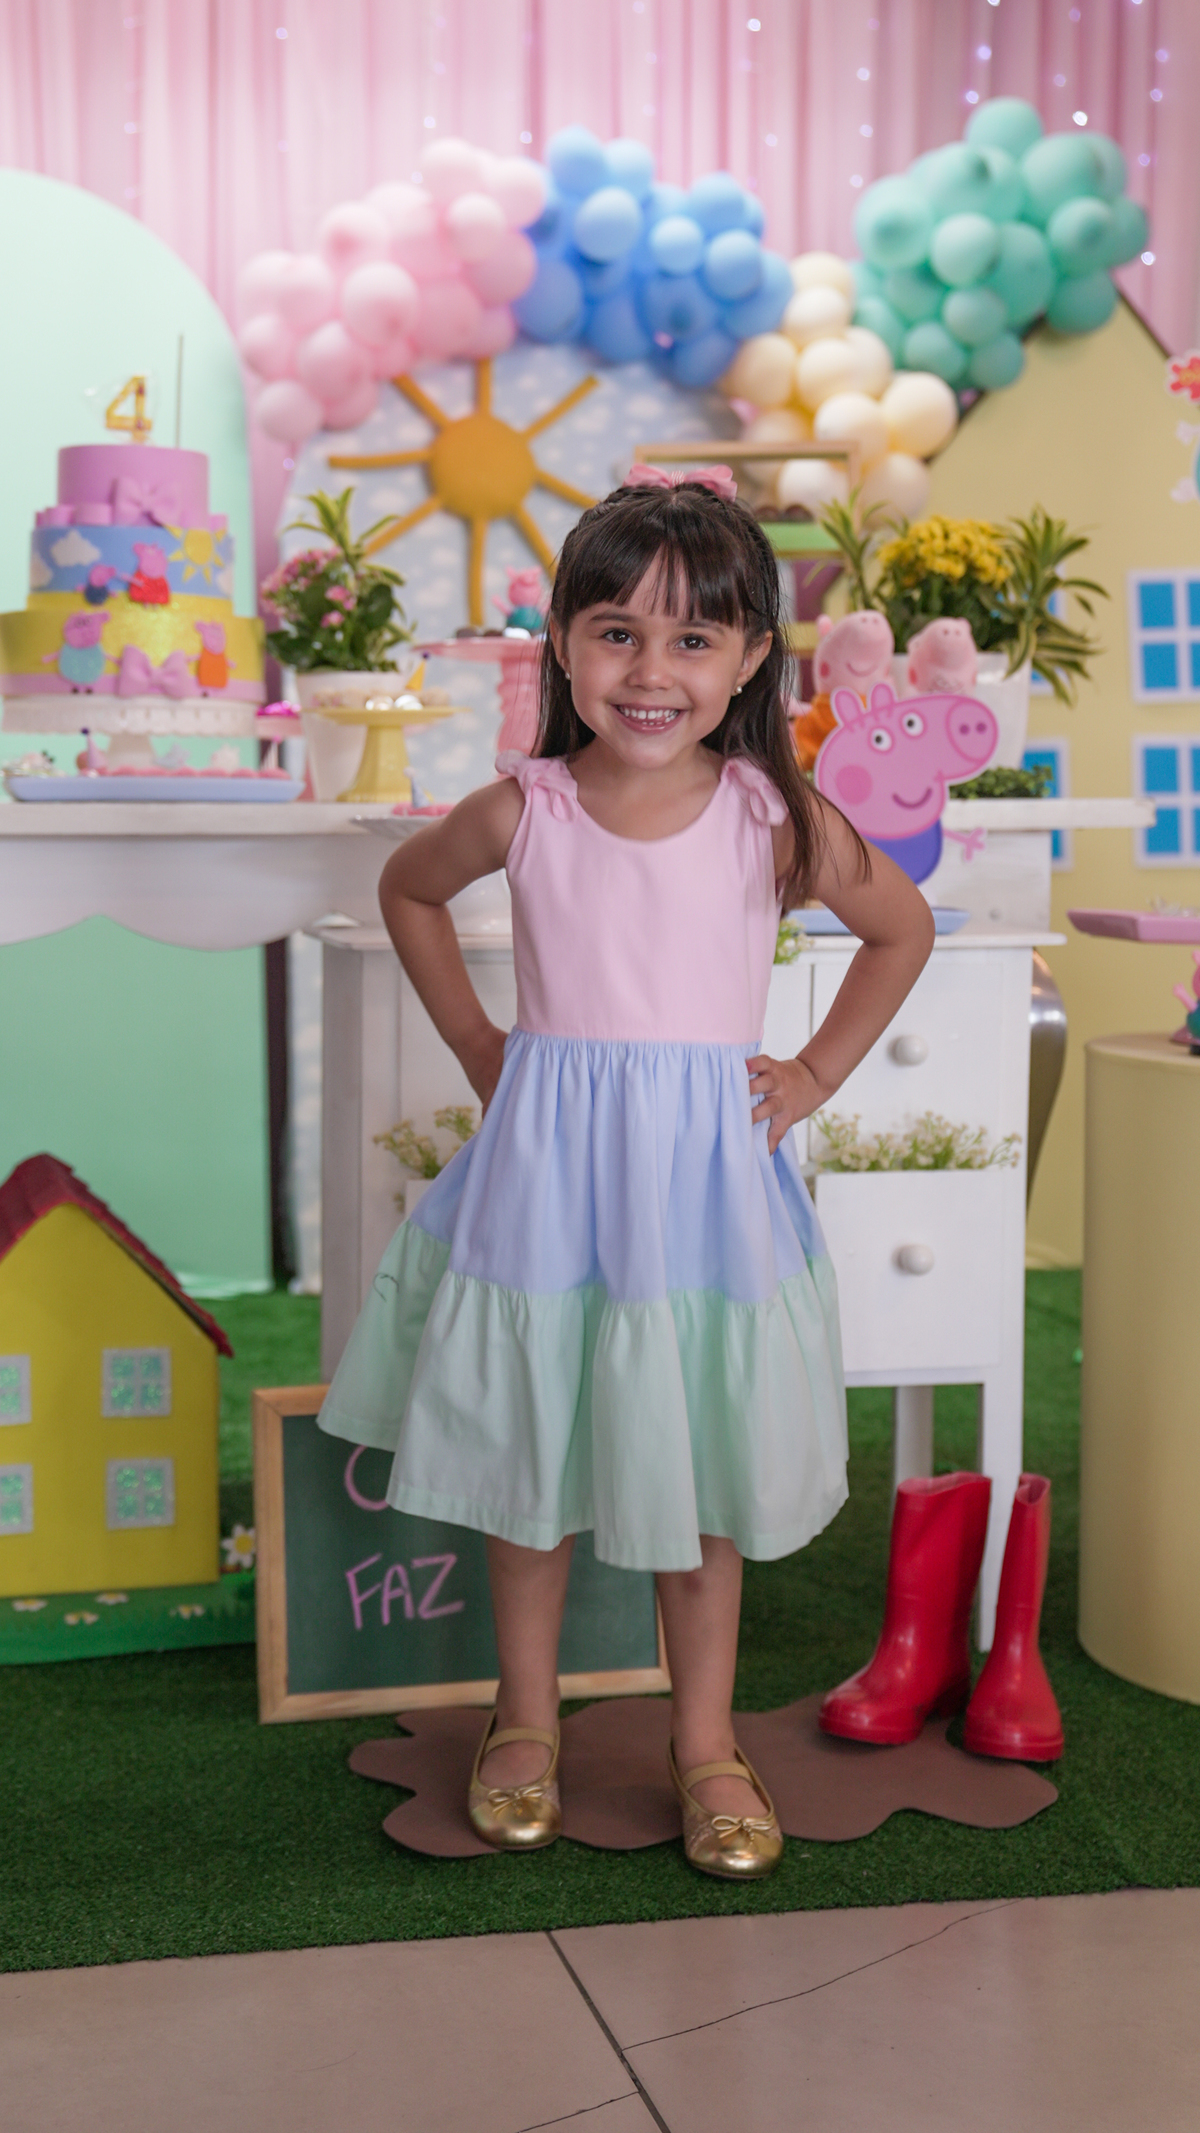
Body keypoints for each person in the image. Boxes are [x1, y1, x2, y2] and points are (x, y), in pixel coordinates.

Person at [319, 466, 935, 1878]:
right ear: (562, 643)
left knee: (694, 1468)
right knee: (529, 1451)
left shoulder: (771, 819)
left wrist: (815, 1074)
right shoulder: (524, 807)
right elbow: (408, 889)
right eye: (617, 632)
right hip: (547, 1186)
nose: (652, 672)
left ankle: (704, 1739)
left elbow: (898, 928)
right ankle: (524, 1717)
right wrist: (479, 1042)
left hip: (701, 1199)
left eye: (692, 638)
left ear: (751, 657)